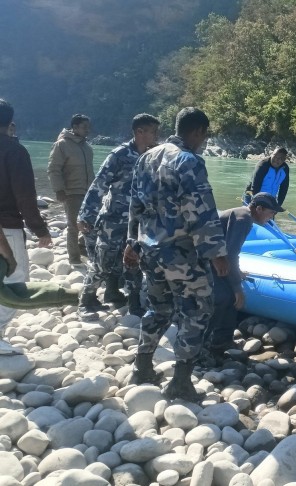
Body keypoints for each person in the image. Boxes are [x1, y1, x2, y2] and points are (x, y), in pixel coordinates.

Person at [124, 107, 229, 400]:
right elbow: (201, 211)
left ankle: (142, 366)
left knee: (158, 308)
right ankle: (181, 382)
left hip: (151, 251)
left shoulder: (147, 157)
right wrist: (217, 252)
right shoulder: (189, 161)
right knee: (196, 311)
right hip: (182, 255)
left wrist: (131, 242)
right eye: (204, 136)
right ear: (198, 132)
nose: (203, 141)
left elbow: (135, 205)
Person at [77, 114, 160, 317]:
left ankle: (131, 303)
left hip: (137, 223)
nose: (156, 136)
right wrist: (86, 215)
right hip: (113, 220)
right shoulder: (119, 155)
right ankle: (87, 299)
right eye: (152, 131)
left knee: (134, 261)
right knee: (103, 262)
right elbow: (99, 185)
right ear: (139, 132)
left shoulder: (152, 156)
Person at [200, 192, 284, 365]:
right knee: (223, 297)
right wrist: (238, 288)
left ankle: (222, 341)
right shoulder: (243, 219)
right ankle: (201, 347)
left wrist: (237, 273)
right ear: (258, 208)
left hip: (215, 258)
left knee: (228, 296)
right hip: (205, 259)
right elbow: (231, 254)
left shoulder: (243, 215)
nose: (271, 217)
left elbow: (229, 253)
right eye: (270, 213)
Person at [0, 99, 53, 354]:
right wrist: (40, 230)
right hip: (7, 228)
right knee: (16, 279)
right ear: (10, 124)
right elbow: (25, 197)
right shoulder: (14, 151)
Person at [47, 113, 94, 265]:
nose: (88, 130)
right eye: (84, 127)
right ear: (75, 127)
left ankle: (82, 248)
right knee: (74, 226)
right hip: (71, 192)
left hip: (88, 192)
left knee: (90, 223)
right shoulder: (62, 144)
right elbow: (54, 169)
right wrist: (58, 190)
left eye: (88, 127)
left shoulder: (87, 147)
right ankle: (74, 258)